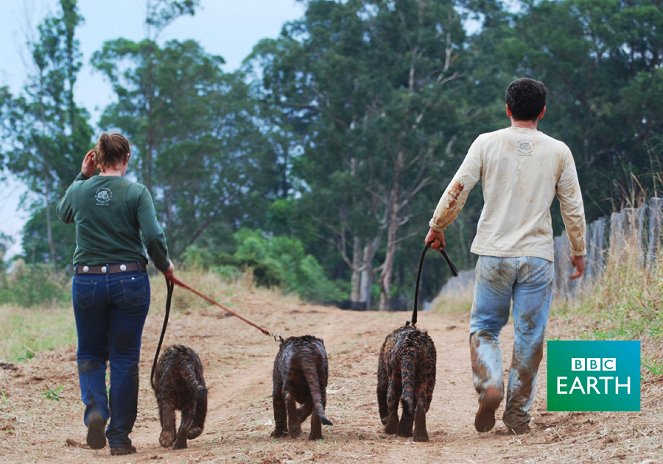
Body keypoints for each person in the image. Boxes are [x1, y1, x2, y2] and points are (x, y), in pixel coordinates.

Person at [425, 78, 586, 435]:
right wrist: (578, 251)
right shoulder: (559, 151)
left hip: (494, 255)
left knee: (484, 328)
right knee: (530, 336)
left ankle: (490, 384)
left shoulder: (486, 143)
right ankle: (517, 415)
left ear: (507, 109)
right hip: (538, 258)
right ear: (542, 111)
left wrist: (438, 226)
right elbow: (572, 208)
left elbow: (458, 188)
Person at [57, 132, 174, 455]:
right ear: (127, 159)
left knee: (90, 354)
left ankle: (96, 408)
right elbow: (152, 235)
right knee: (124, 359)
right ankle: (120, 438)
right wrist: (165, 266)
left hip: (87, 281)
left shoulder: (80, 190)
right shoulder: (137, 192)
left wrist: (83, 175)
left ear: (96, 157)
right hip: (130, 281)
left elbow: (63, 213)